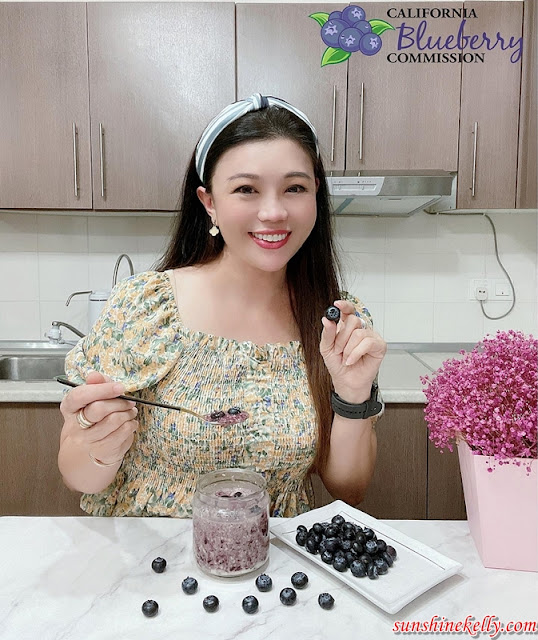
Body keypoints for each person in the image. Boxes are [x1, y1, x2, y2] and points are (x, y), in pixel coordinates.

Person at [58, 93, 387, 518]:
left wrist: (353, 395)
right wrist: (97, 445)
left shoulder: (335, 323)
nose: (273, 212)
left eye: (295, 188)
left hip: (270, 554)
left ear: (315, 196)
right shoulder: (146, 307)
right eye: (246, 189)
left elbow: (350, 489)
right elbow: (79, 477)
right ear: (209, 201)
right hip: (155, 553)